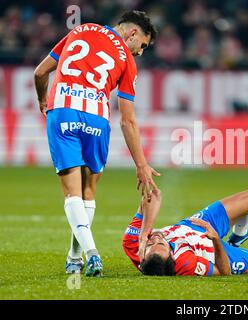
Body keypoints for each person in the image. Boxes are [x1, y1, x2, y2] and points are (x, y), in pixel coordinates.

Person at [33, 11, 160, 277]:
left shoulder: (80, 30)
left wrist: (43, 99)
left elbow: (40, 72)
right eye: (143, 46)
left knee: (71, 192)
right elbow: (128, 120)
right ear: (132, 34)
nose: (140, 52)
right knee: (88, 190)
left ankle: (89, 253)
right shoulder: (127, 59)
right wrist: (141, 164)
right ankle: (76, 256)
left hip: (63, 110)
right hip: (97, 119)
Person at [122, 189, 248, 276]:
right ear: (172, 255)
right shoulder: (186, 265)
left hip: (194, 225)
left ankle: (238, 237)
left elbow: (153, 194)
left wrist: (144, 234)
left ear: (142, 256)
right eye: (161, 243)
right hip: (213, 248)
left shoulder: (133, 243)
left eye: (150, 244)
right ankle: (232, 246)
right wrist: (215, 239)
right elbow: (224, 272)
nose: (155, 238)